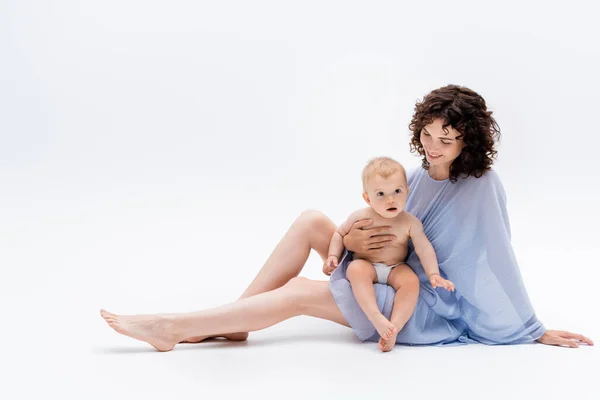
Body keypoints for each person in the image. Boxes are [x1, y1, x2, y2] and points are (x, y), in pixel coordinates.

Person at [100, 84, 593, 352]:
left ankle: (174, 327)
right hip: (381, 265)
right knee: (313, 220)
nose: (433, 147)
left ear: (469, 142)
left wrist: (531, 328)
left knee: (295, 294)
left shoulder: (481, 185)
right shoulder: (420, 173)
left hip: (419, 300)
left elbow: (498, 258)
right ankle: (234, 320)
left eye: (447, 140)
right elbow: (390, 218)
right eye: (427, 135)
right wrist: (352, 237)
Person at [323, 156, 454, 351]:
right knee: (357, 269)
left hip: (395, 268)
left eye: (397, 191)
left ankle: (394, 327)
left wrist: (433, 274)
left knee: (410, 282)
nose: (390, 199)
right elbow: (339, 233)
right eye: (381, 194)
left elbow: (424, 248)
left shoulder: (410, 222)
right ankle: (375, 315)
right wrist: (333, 256)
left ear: (407, 191)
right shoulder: (361, 216)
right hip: (368, 264)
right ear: (367, 198)